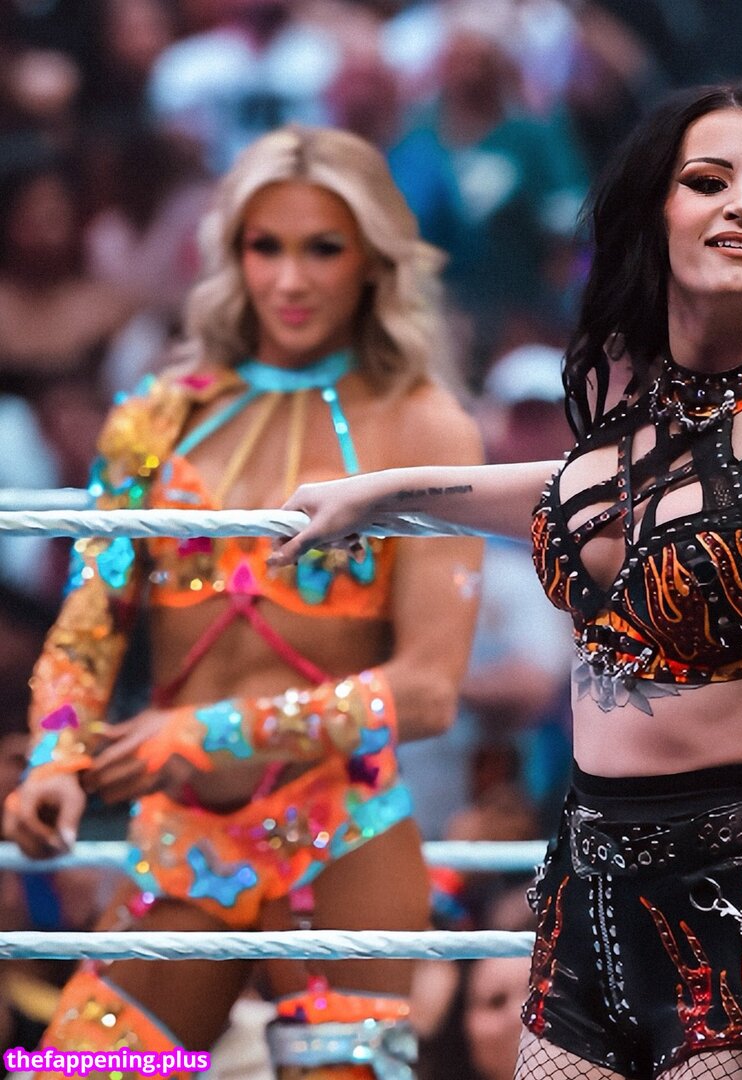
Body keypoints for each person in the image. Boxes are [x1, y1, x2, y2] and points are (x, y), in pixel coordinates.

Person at [266, 82, 742, 1079]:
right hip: (578, 901)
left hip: (739, 909)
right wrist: (381, 491)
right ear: (654, 212)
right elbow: (569, 497)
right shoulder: (645, 419)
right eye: (707, 180)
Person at [2, 122, 483, 1080]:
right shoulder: (155, 414)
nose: (290, 280)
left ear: (372, 259)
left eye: (323, 248)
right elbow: (90, 621)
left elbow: (428, 692)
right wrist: (56, 758)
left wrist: (202, 733)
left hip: (345, 839)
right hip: (181, 846)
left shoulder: (426, 426)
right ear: (231, 253)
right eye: (266, 247)